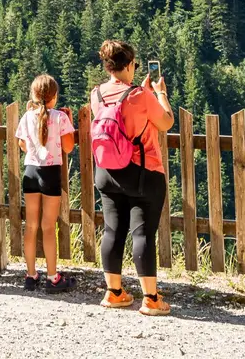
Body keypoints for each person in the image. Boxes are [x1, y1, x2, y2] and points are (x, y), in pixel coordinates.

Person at [89, 39, 174, 316]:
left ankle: (114, 293)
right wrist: (160, 94)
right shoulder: (140, 95)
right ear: (128, 65)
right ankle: (151, 299)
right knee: (142, 233)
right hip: (142, 173)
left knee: (112, 230)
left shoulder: (97, 94)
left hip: (106, 171)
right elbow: (166, 122)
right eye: (134, 65)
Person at [15, 73, 76, 292]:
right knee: (48, 227)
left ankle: (31, 275)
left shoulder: (27, 116)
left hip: (31, 172)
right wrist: (70, 122)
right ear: (54, 96)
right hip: (50, 174)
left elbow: (22, 145)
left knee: (31, 226)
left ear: (33, 95)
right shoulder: (60, 117)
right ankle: (53, 277)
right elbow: (68, 147)